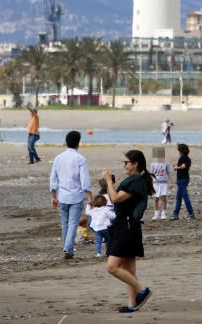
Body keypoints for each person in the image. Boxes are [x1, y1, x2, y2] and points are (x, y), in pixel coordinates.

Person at [102, 149, 153, 313]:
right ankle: (133, 304)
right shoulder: (135, 180)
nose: (124, 165)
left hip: (127, 227)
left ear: (135, 164)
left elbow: (115, 198)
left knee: (112, 267)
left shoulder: (136, 181)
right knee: (129, 270)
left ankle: (142, 291)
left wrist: (109, 181)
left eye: (126, 162)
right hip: (128, 226)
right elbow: (116, 197)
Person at [49, 130, 93, 259]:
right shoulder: (80, 158)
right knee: (73, 222)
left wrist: (53, 195)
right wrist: (89, 195)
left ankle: (67, 247)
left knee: (65, 223)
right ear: (78, 143)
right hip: (76, 195)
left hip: (62, 195)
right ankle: (68, 248)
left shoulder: (58, 158)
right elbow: (85, 180)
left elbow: (53, 179)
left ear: (66, 142)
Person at [171, 143, 194, 220]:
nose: (178, 152)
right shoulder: (188, 158)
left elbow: (183, 166)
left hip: (182, 179)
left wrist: (176, 168)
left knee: (184, 196)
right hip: (185, 178)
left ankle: (191, 213)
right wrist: (176, 165)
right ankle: (176, 214)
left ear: (181, 151)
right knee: (179, 197)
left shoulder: (182, 158)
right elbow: (185, 166)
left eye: (179, 150)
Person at [148, 147, 171, 220]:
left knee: (163, 198)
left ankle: (163, 213)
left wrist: (170, 182)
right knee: (156, 199)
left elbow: (168, 173)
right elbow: (151, 174)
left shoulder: (166, 164)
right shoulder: (153, 164)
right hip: (155, 183)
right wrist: (150, 184)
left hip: (163, 183)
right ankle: (156, 214)